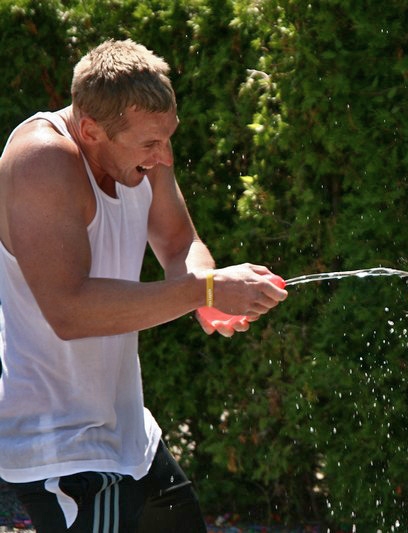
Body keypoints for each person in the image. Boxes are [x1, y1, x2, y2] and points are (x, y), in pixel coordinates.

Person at [0, 39, 287, 531]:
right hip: (59, 451)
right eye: (150, 145)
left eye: (168, 137)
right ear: (90, 129)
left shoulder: (142, 144)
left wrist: (209, 293)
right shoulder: (40, 162)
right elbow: (70, 311)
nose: (163, 156)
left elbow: (178, 243)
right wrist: (209, 290)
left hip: (130, 438)